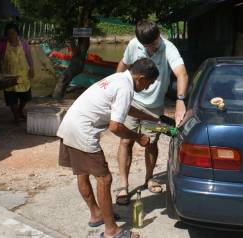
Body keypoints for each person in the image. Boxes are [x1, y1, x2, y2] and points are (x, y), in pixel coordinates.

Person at [57, 58, 159, 238]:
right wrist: (138, 137)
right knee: (104, 179)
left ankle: (97, 214)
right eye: (148, 84)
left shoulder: (118, 78)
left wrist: (150, 117)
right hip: (83, 131)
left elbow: (125, 108)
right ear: (141, 78)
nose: (147, 88)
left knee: (82, 172)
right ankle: (112, 231)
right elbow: (115, 127)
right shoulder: (126, 88)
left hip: (69, 124)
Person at [115, 19, 189, 205]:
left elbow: (182, 74)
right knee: (126, 140)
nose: (152, 47)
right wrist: (117, 89)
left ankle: (149, 178)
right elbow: (122, 65)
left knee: (151, 143)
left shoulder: (168, 48)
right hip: (132, 102)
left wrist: (180, 100)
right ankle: (123, 184)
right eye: (148, 45)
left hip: (154, 106)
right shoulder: (133, 45)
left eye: (155, 42)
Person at [0, 23, 34, 123]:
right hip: (8, 76)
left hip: (23, 75)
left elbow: (29, 56)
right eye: (8, 34)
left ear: (17, 33)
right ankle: (16, 117)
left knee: (25, 97)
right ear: (6, 34)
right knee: (11, 98)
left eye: (13, 33)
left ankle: (20, 110)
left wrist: (32, 68)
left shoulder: (23, 43)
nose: (11, 36)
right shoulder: (3, 44)